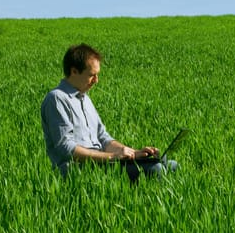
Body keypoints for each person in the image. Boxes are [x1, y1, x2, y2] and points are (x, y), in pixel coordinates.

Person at [41, 43, 177, 183]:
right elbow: (66, 148)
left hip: (103, 163)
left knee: (170, 164)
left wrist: (132, 153)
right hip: (79, 171)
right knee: (156, 169)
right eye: (91, 75)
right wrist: (112, 157)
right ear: (74, 71)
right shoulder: (56, 99)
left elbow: (103, 137)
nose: (96, 81)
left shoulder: (85, 98)